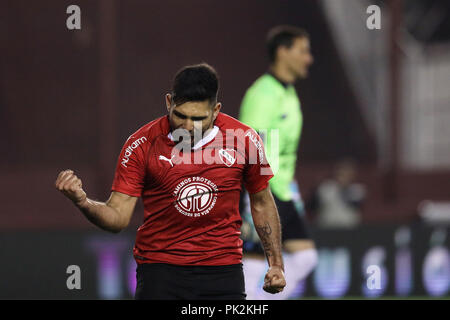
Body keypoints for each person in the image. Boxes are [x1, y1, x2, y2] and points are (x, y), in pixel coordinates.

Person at [55, 63, 286, 300]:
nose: (187, 127)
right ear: (168, 102)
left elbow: (261, 202)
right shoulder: (141, 144)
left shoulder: (245, 140)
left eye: (197, 119)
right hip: (160, 274)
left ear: (216, 110)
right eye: (180, 115)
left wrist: (276, 264)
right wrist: (83, 202)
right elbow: (117, 218)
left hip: (223, 274)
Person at [239, 25, 318, 299]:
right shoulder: (263, 94)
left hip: (283, 190)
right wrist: (255, 197)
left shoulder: (289, 93)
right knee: (254, 263)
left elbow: (283, 151)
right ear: (283, 52)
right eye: (303, 51)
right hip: (263, 191)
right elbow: (249, 146)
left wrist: (291, 187)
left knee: (305, 257)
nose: (309, 58)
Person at [307, 159, 366, 229]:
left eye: (348, 173)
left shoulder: (358, 190)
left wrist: (343, 189)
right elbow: (311, 207)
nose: (345, 176)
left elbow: (354, 205)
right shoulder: (325, 188)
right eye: (342, 173)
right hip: (327, 227)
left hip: (349, 228)